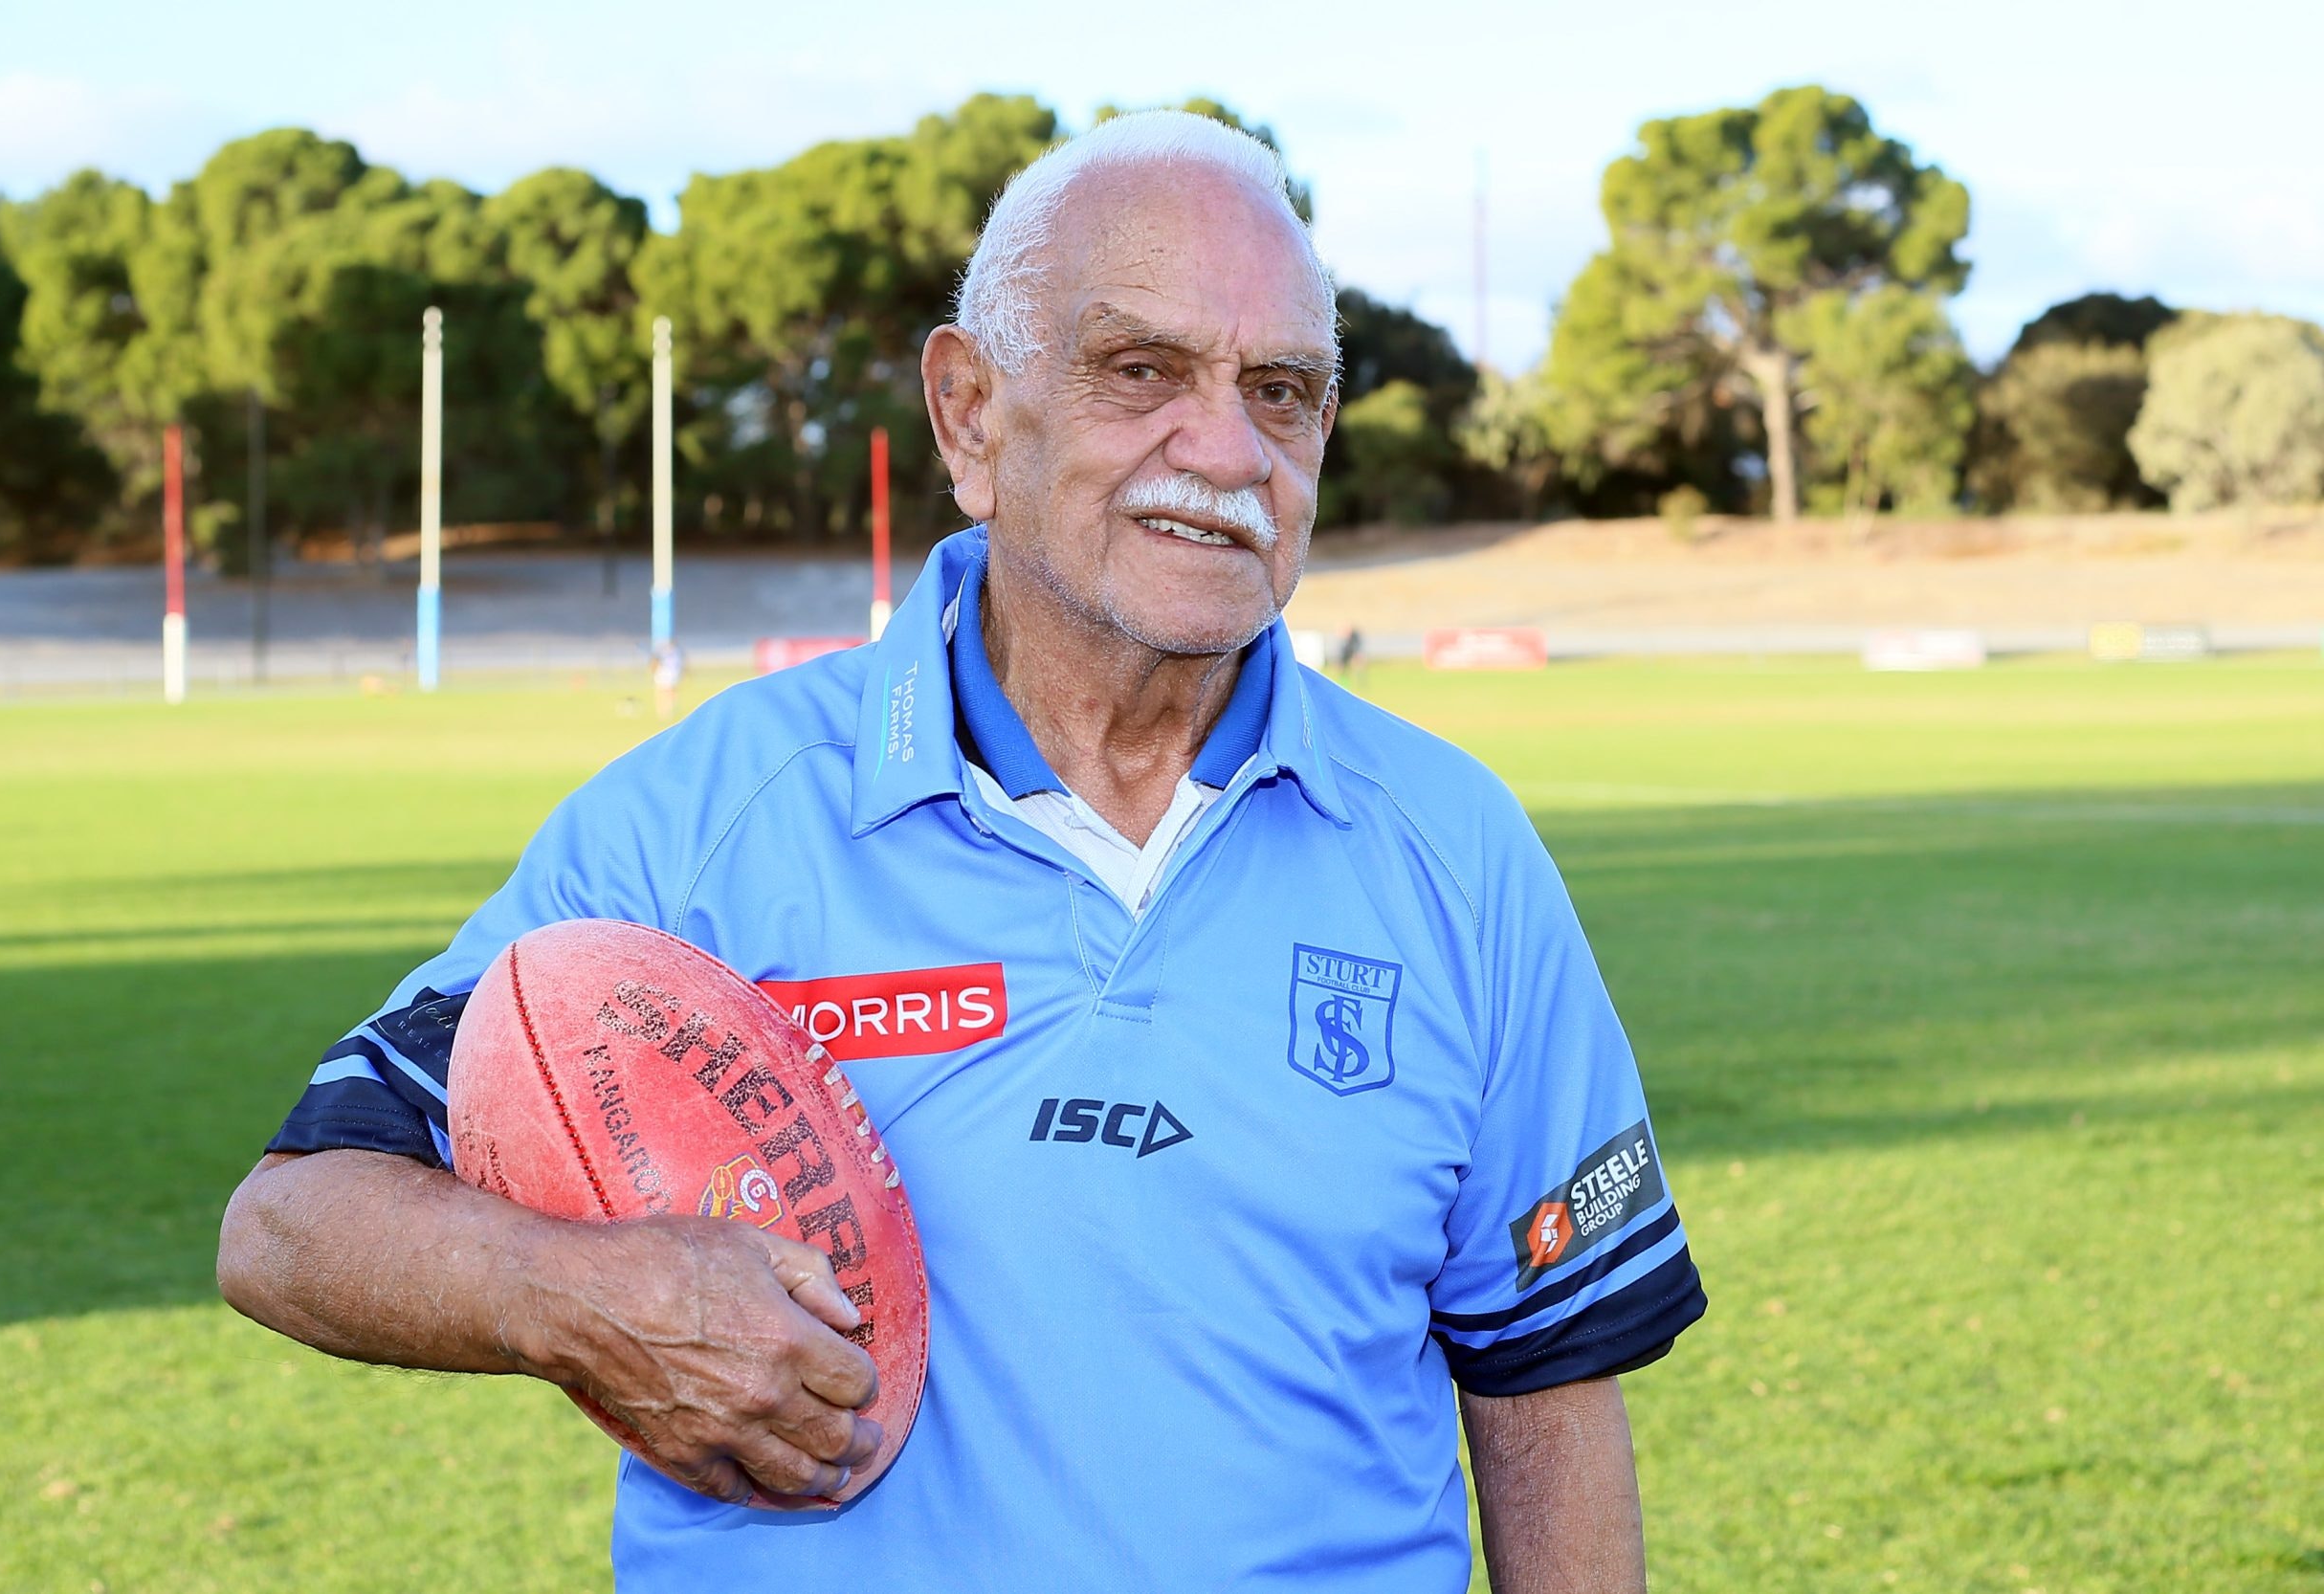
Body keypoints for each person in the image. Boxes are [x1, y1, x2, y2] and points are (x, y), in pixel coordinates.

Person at [217, 111, 1704, 1593]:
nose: (1228, 447)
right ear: (969, 413)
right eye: (1142, 371)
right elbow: (289, 1222)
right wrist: (578, 1295)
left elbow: (1549, 1386)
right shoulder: (703, 824)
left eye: (1283, 390)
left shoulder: (1455, 848)